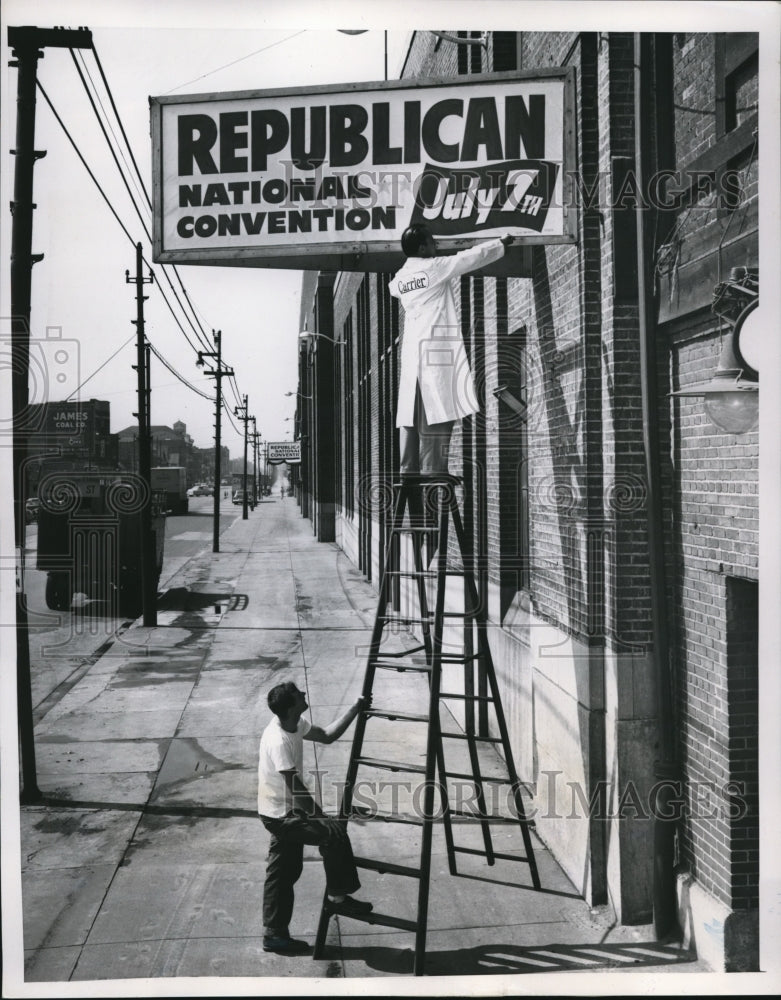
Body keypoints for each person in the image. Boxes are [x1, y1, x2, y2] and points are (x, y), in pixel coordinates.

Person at [257, 681, 373, 954]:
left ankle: (274, 934)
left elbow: (328, 735)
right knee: (333, 835)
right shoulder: (278, 741)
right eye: (299, 696)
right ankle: (338, 896)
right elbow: (295, 788)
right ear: (289, 707)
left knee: (283, 873)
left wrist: (356, 708)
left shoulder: (295, 723)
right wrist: (323, 820)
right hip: (280, 814)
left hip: (283, 809)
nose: (305, 695)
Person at [389, 224, 513, 475]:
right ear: (422, 247)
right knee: (438, 409)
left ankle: (408, 468)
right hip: (435, 346)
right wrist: (501, 243)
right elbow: (468, 259)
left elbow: (393, 289)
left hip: (413, 348)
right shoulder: (433, 268)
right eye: (432, 242)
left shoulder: (400, 279)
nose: (436, 246)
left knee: (411, 415)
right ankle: (434, 470)